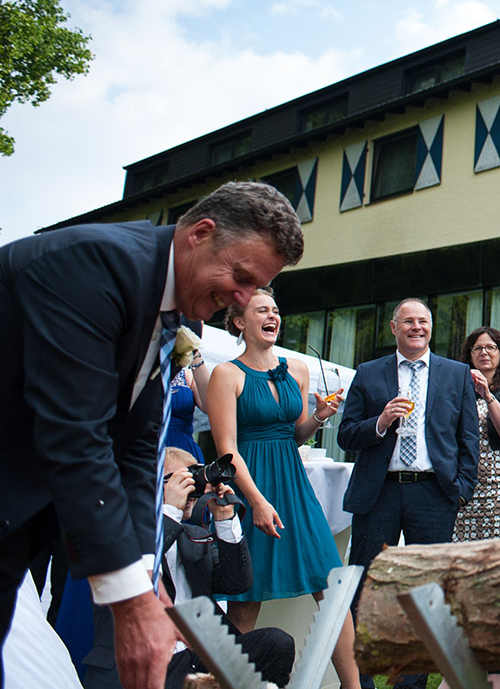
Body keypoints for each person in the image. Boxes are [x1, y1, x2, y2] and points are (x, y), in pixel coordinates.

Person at [0, 180, 303, 689]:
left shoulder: (168, 308)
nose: (244, 298)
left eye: (257, 289)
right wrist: (131, 603)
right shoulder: (96, 266)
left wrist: (146, 576)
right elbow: (78, 436)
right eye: (243, 276)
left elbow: (141, 447)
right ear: (200, 233)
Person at [206, 289, 358, 686]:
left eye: (275, 310)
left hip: (294, 489)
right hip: (250, 486)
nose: (273, 316)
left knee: (332, 585)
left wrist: (319, 418)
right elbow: (226, 452)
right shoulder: (226, 374)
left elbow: (294, 435)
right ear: (240, 322)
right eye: (262, 310)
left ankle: (355, 686)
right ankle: (230, 683)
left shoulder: (298, 370)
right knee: (244, 597)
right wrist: (255, 502)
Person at [83, 447, 295, 689]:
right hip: (148, 656)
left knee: (276, 643)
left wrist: (225, 519)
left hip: (201, 654)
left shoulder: (194, 534)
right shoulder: (117, 534)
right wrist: (169, 511)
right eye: (176, 480)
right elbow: (140, 569)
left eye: (191, 477)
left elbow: (237, 583)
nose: (188, 487)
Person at [337, 299, 479, 620]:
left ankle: (416, 669)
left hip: (434, 492)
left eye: (423, 322)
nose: (416, 327)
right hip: (378, 492)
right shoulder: (368, 372)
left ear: (431, 328)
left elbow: (468, 438)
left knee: (430, 586)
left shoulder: (457, 374)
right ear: (394, 328)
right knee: (365, 583)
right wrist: (381, 421)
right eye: (408, 322)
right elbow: (345, 435)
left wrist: (462, 489)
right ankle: (361, 670)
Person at [454, 326, 500, 541]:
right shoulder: (457, 391)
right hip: (464, 484)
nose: (484, 353)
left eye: (490, 347)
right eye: (477, 348)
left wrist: (487, 395)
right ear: (470, 355)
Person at [164, 328, 211, 463]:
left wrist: (195, 355)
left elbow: (210, 405)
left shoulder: (185, 374)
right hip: (147, 447)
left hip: (183, 451)